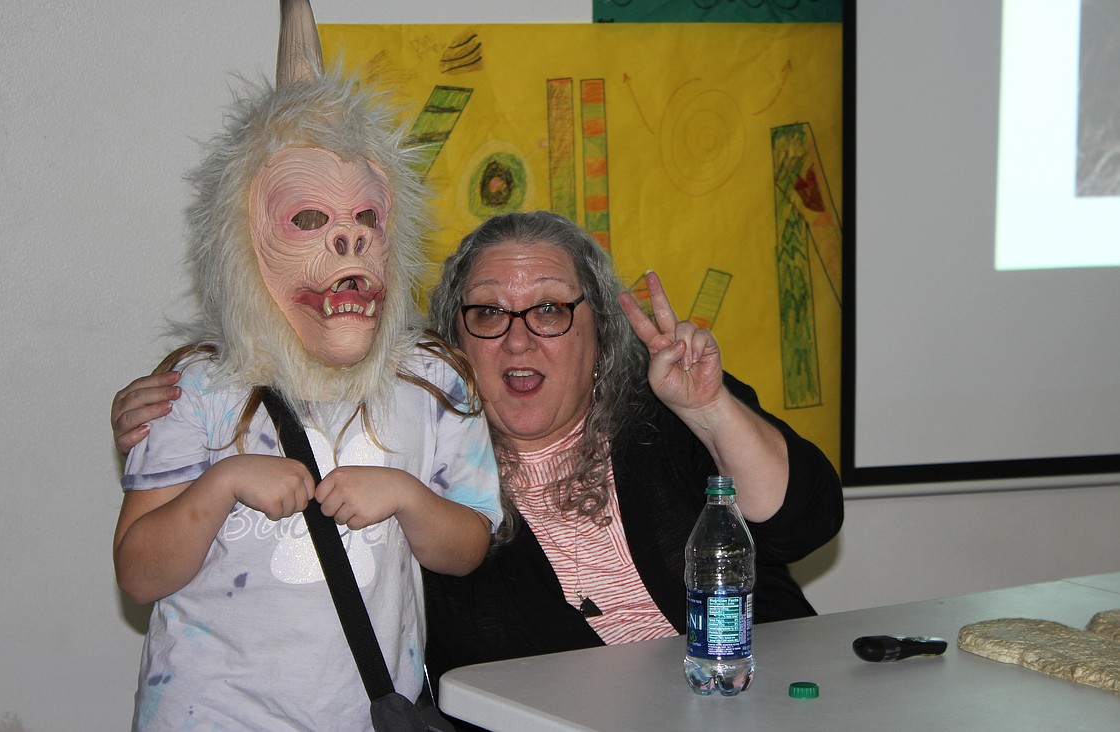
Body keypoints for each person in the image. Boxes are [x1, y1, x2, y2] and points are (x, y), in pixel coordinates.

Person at [114, 210, 842, 702]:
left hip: (766, 705)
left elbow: (805, 523)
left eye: (550, 308)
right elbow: (291, 387)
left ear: (600, 339)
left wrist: (708, 407)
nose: (518, 338)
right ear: (453, 343)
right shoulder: (430, 464)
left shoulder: (667, 409)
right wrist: (182, 411)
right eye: (488, 312)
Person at [113, 0, 500, 732]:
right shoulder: (196, 388)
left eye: (365, 218)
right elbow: (137, 572)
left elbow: (469, 547)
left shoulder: (432, 383)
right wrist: (219, 485)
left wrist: (409, 498)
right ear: (241, 244)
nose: (348, 238)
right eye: (310, 217)